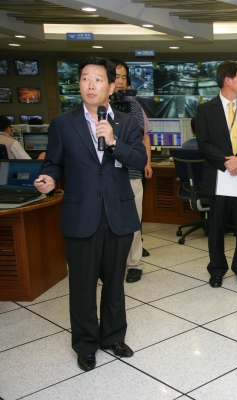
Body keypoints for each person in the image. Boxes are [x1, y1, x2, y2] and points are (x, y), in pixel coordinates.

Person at [34, 57, 147, 372]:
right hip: (80, 215)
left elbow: (138, 159)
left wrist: (113, 143)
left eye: (98, 79)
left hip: (118, 214)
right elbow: (53, 161)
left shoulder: (126, 122)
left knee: (114, 283)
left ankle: (112, 336)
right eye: (85, 78)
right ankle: (85, 344)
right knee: (82, 285)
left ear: (112, 86)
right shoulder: (63, 123)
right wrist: (50, 178)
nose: (90, 85)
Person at [196, 60, 237, 288]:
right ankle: (217, 269)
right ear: (228, 80)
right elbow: (203, 143)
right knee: (216, 225)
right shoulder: (206, 109)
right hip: (218, 174)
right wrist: (227, 162)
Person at [110, 58, 153, 283]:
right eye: (115, 76)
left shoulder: (133, 106)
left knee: (133, 220)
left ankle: (134, 263)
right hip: (104, 174)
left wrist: (146, 162)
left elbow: (145, 135)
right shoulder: (96, 106)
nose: (119, 82)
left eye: (123, 77)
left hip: (130, 172)